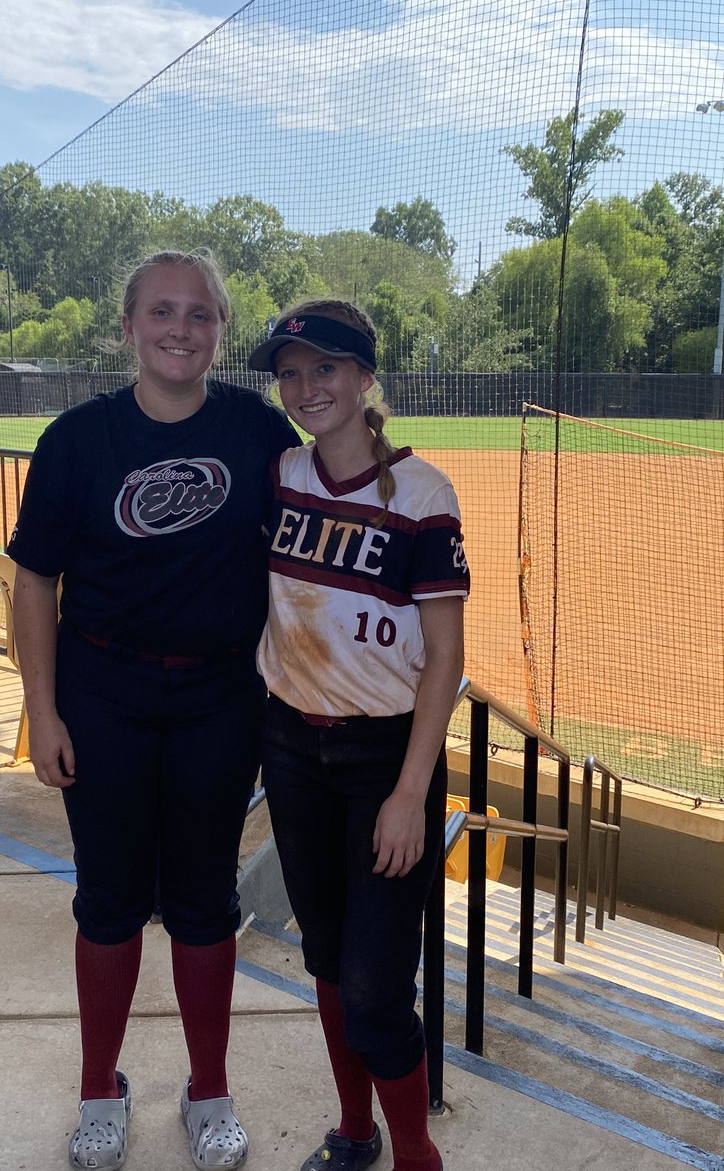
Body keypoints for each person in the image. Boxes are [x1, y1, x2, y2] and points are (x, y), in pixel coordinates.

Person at [7, 249, 300, 1171]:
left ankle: (207, 1089)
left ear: (219, 329)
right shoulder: (76, 443)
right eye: (163, 312)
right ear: (127, 326)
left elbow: (325, 502)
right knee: (109, 905)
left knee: (207, 904)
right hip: (105, 695)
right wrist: (42, 710)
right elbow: (34, 582)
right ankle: (102, 1089)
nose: (181, 330)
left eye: (200, 314)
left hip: (218, 696)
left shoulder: (256, 432)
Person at [248, 301, 469, 1171]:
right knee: (328, 960)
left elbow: (445, 659)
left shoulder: (422, 494)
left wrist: (412, 793)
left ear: (366, 377)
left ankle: (416, 1152)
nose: (307, 388)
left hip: (385, 760)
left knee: (379, 991)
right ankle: (354, 1129)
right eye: (292, 372)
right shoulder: (280, 476)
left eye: (327, 368)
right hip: (293, 748)